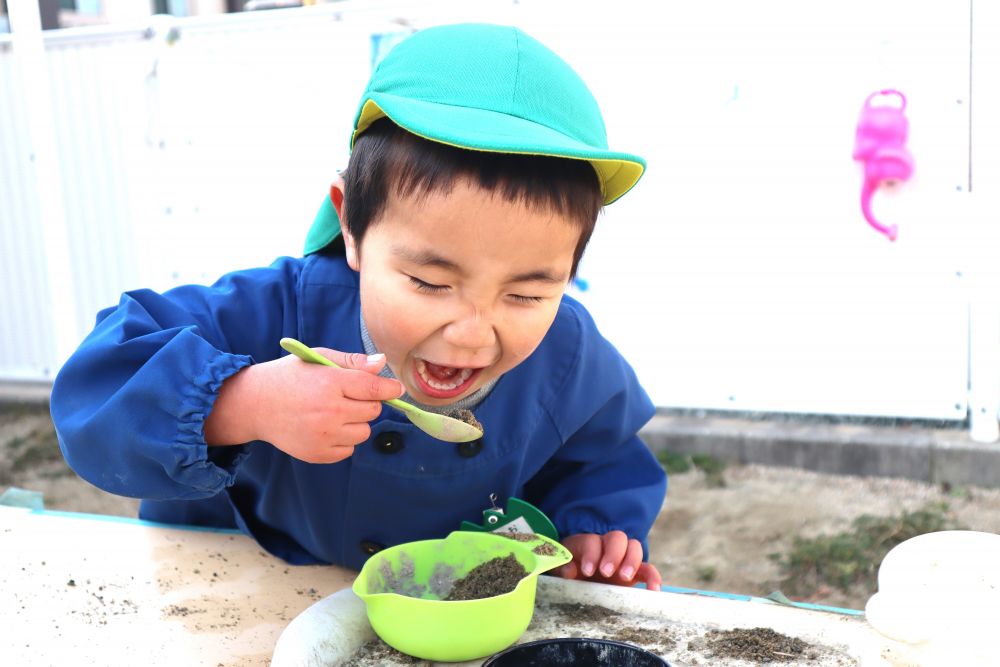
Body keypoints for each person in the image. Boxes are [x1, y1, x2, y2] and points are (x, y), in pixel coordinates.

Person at [51, 23, 667, 590]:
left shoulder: (569, 351)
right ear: (350, 224)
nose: (472, 334)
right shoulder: (269, 312)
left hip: (447, 608)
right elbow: (94, 393)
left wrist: (595, 530)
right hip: (243, 583)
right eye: (429, 282)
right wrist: (240, 402)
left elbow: (603, 457)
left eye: (527, 294)